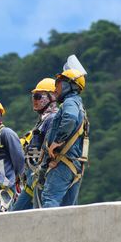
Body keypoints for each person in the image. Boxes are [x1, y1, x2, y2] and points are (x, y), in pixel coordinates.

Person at [41, 68, 89, 208]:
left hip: (63, 163)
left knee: (50, 199)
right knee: (69, 208)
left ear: (69, 85)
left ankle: (48, 230)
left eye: (59, 83)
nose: (55, 87)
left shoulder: (69, 103)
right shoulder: (78, 104)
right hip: (73, 164)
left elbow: (70, 118)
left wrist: (57, 141)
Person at [12, 78, 59, 210]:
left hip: (41, 179)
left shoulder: (52, 119)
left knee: (16, 214)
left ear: (52, 97)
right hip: (32, 179)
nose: (34, 100)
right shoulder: (43, 121)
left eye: (38, 96)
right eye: (33, 96)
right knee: (16, 214)